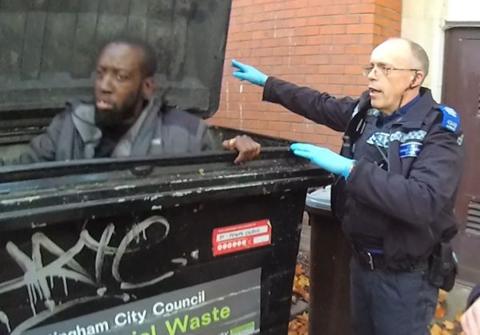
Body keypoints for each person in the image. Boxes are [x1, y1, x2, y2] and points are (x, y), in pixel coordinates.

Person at [232, 38, 464, 335]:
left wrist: (349, 169)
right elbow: (318, 103)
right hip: (360, 264)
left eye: (384, 68)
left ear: (415, 78)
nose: (372, 75)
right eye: (371, 66)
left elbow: (423, 201)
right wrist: (267, 82)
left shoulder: (438, 128)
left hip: (406, 277)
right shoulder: (366, 111)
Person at [1, 37, 260, 166]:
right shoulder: (67, 125)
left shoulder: (186, 134)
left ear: (147, 87)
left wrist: (236, 152)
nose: (104, 86)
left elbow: (214, 185)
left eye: (120, 77)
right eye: (101, 74)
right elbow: (21, 175)